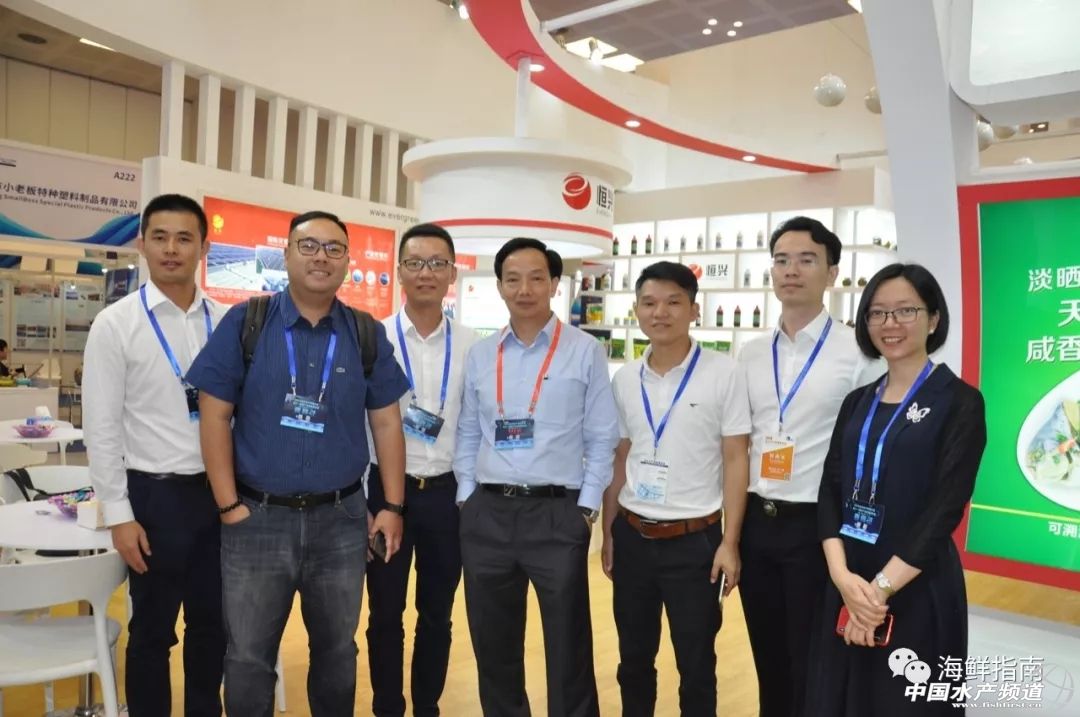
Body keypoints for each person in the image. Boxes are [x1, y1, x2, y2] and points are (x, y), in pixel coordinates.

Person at [187, 210, 411, 717]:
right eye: (308, 246)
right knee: (247, 657)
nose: (321, 257)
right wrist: (228, 506)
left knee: (337, 654)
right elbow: (214, 416)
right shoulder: (246, 323)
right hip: (256, 520)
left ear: (348, 262)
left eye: (334, 248)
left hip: (342, 522)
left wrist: (392, 506)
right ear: (285, 255)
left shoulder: (365, 333)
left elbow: (386, 424)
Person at [808, 263, 987, 716]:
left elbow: (945, 509)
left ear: (934, 319)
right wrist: (843, 578)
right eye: (877, 313)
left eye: (906, 310)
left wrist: (878, 592)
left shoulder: (960, 402)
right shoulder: (858, 401)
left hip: (914, 584)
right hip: (849, 579)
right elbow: (830, 489)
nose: (890, 323)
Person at [454, 237, 620, 717]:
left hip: (556, 514)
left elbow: (602, 435)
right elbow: (468, 430)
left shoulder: (585, 351)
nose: (524, 289)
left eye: (535, 278)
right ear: (499, 286)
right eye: (512, 279)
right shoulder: (482, 354)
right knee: (492, 643)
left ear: (553, 283)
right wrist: (467, 497)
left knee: (568, 644)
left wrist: (585, 508)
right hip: (487, 515)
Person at [83, 193, 228, 716]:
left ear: (203, 248)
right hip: (153, 499)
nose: (171, 249)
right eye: (160, 237)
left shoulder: (227, 322)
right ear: (142, 243)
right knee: (150, 633)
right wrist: (120, 516)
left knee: (212, 626)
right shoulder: (115, 324)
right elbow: (101, 429)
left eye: (184, 238)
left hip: (219, 497)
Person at [735, 216, 882, 717]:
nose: (791, 270)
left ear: (832, 272)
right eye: (781, 260)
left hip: (818, 527)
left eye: (806, 260)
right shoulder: (751, 354)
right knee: (767, 656)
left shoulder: (858, 352)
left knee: (812, 660)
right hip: (758, 521)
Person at [602, 261, 751, 716]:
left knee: (697, 664)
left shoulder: (724, 373)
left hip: (695, 543)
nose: (660, 312)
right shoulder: (625, 378)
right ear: (636, 310)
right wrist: (609, 532)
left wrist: (730, 542)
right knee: (633, 661)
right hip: (633, 535)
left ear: (694, 310)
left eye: (673, 302)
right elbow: (621, 457)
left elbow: (736, 458)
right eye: (649, 303)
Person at [365, 223, 479, 717]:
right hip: (383, 494)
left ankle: (427, 705)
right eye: (415, 263)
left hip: (446, 497)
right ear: (399, 272)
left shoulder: (474, 346)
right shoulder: (373, 338)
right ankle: (387, 706)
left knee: (437, 613)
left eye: (437, 263)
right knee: (384, 612)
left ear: (452, 273)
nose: (426, 273)